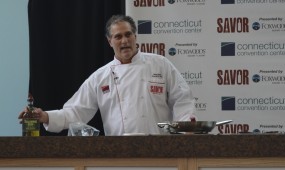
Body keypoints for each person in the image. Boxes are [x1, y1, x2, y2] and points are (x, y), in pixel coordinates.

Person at [19, 15, 195, 136]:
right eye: (118, 37)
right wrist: (46, 116)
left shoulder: (160, 64)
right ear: (109, 41)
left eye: (128, 35)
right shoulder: (100, 77)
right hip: (118, 153)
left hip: (161, 150)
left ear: (135, 36)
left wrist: (186, 127)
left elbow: (182, 99)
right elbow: (75, 112)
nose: (124, 41)